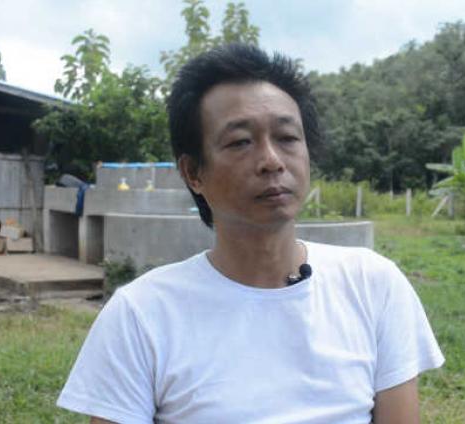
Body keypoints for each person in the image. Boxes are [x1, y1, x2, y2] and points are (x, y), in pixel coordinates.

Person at [57, 43, 444, 423]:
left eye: (287, 138)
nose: (272, 161)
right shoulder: (141, 314)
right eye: (240, 142)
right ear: (193, 173)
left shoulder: (372, 284)